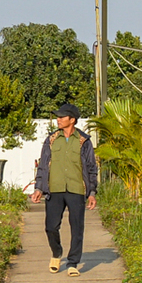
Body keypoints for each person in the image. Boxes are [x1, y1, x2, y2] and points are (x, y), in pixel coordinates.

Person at [30, 104, 99, 274]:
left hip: (77, 189)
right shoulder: (51, 140)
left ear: (72, 120)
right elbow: (43, 166)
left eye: (62, 117)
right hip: (54, 189)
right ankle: (56, 252)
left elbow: (91, 168)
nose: (58, 120)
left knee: (77, 228)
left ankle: (73, 263)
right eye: (58, 117)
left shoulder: (84, 141)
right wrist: (39, 188)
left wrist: (92, 193)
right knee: (51, 227)